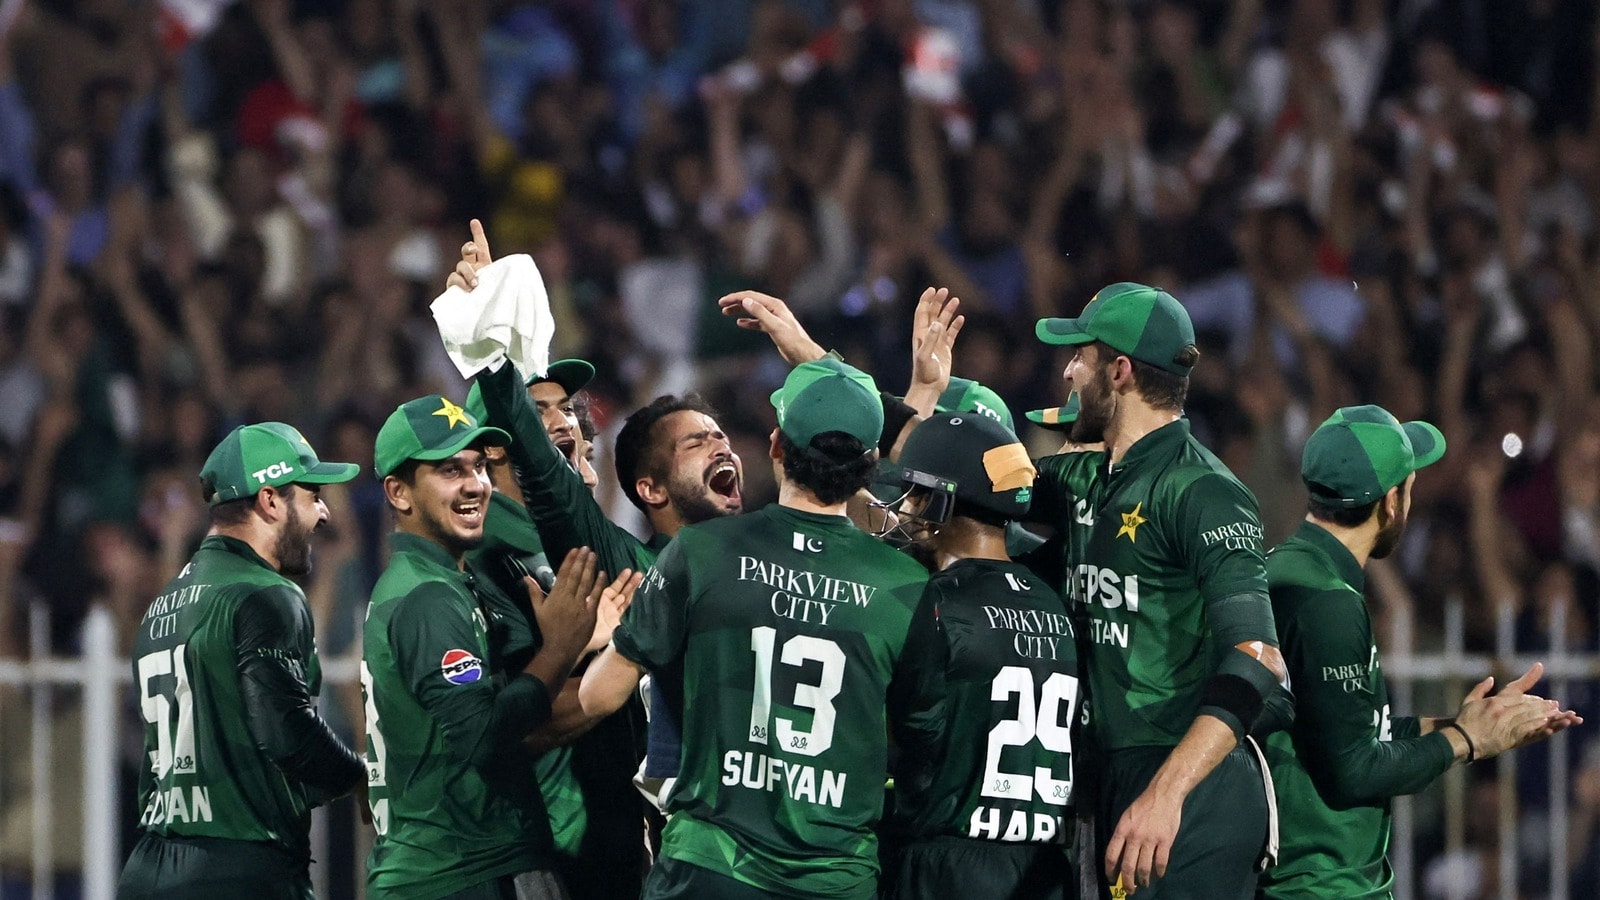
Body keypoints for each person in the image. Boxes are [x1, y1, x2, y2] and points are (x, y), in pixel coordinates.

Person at [578, 358, 936, 899]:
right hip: (835, 878)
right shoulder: (906, 584)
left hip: (711, 868)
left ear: (775, 446)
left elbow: (597, 697)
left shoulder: (699, 552)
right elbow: (916, 736)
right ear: (868, 468)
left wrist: (605, 639)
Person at [1031, 282, 1293, 898]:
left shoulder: (1203, 490)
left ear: (1119, 371)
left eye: (1080, 356)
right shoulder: (1086, 476)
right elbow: (961, 479)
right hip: (1116, 776)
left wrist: (1166, 793)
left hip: (1189, 787)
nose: (1068, 372)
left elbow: (1258, 657)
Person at [1261, 405, 1582, 899]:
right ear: (1391, 502)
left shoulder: (1293, 569)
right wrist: (1466, 740)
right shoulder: (1326, 599)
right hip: (1324, 884)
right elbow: (1353, 770)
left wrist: (1471, 723)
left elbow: (1347, 733)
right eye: (1409, 487)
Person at [360, 394, 604, 900]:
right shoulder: (427, 596)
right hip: (461, 870)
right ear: (399, 493)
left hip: (447, 866)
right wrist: (561, 648)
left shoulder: (434, 581)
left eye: (478, 466)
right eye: (450, 470)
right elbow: (482, 740)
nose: (475, 484)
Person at [118, 423, 366, 899]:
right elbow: (287, 733)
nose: (324, 513)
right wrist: (360, 778)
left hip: (148, 868)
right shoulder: (267, 593)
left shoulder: (164, 604)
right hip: (238, 868)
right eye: (312, 496)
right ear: (270, 500)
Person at [881, 412, 1079, 899]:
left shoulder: (940, 600)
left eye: (916, 493)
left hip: (949, 863)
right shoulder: (1052, 599)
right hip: (1041, 868)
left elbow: (906, 735)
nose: (906, 507)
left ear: (942, 500)